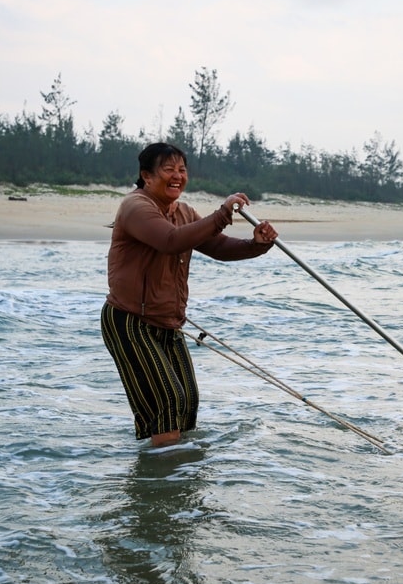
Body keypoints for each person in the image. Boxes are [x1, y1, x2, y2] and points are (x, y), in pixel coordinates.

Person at [101, 142, 278, 447]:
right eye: (168, 169)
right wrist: (222, 213)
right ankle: (160, 480)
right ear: (146, 175)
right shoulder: (136, 207)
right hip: (129, 322)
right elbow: (170, 241)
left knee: (187, 403)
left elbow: (217, 246)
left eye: (182, 170)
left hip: (169, 322)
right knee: (170, 400)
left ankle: (170, 481)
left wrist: (256, 245)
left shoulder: (183, 211)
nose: (177, 176)